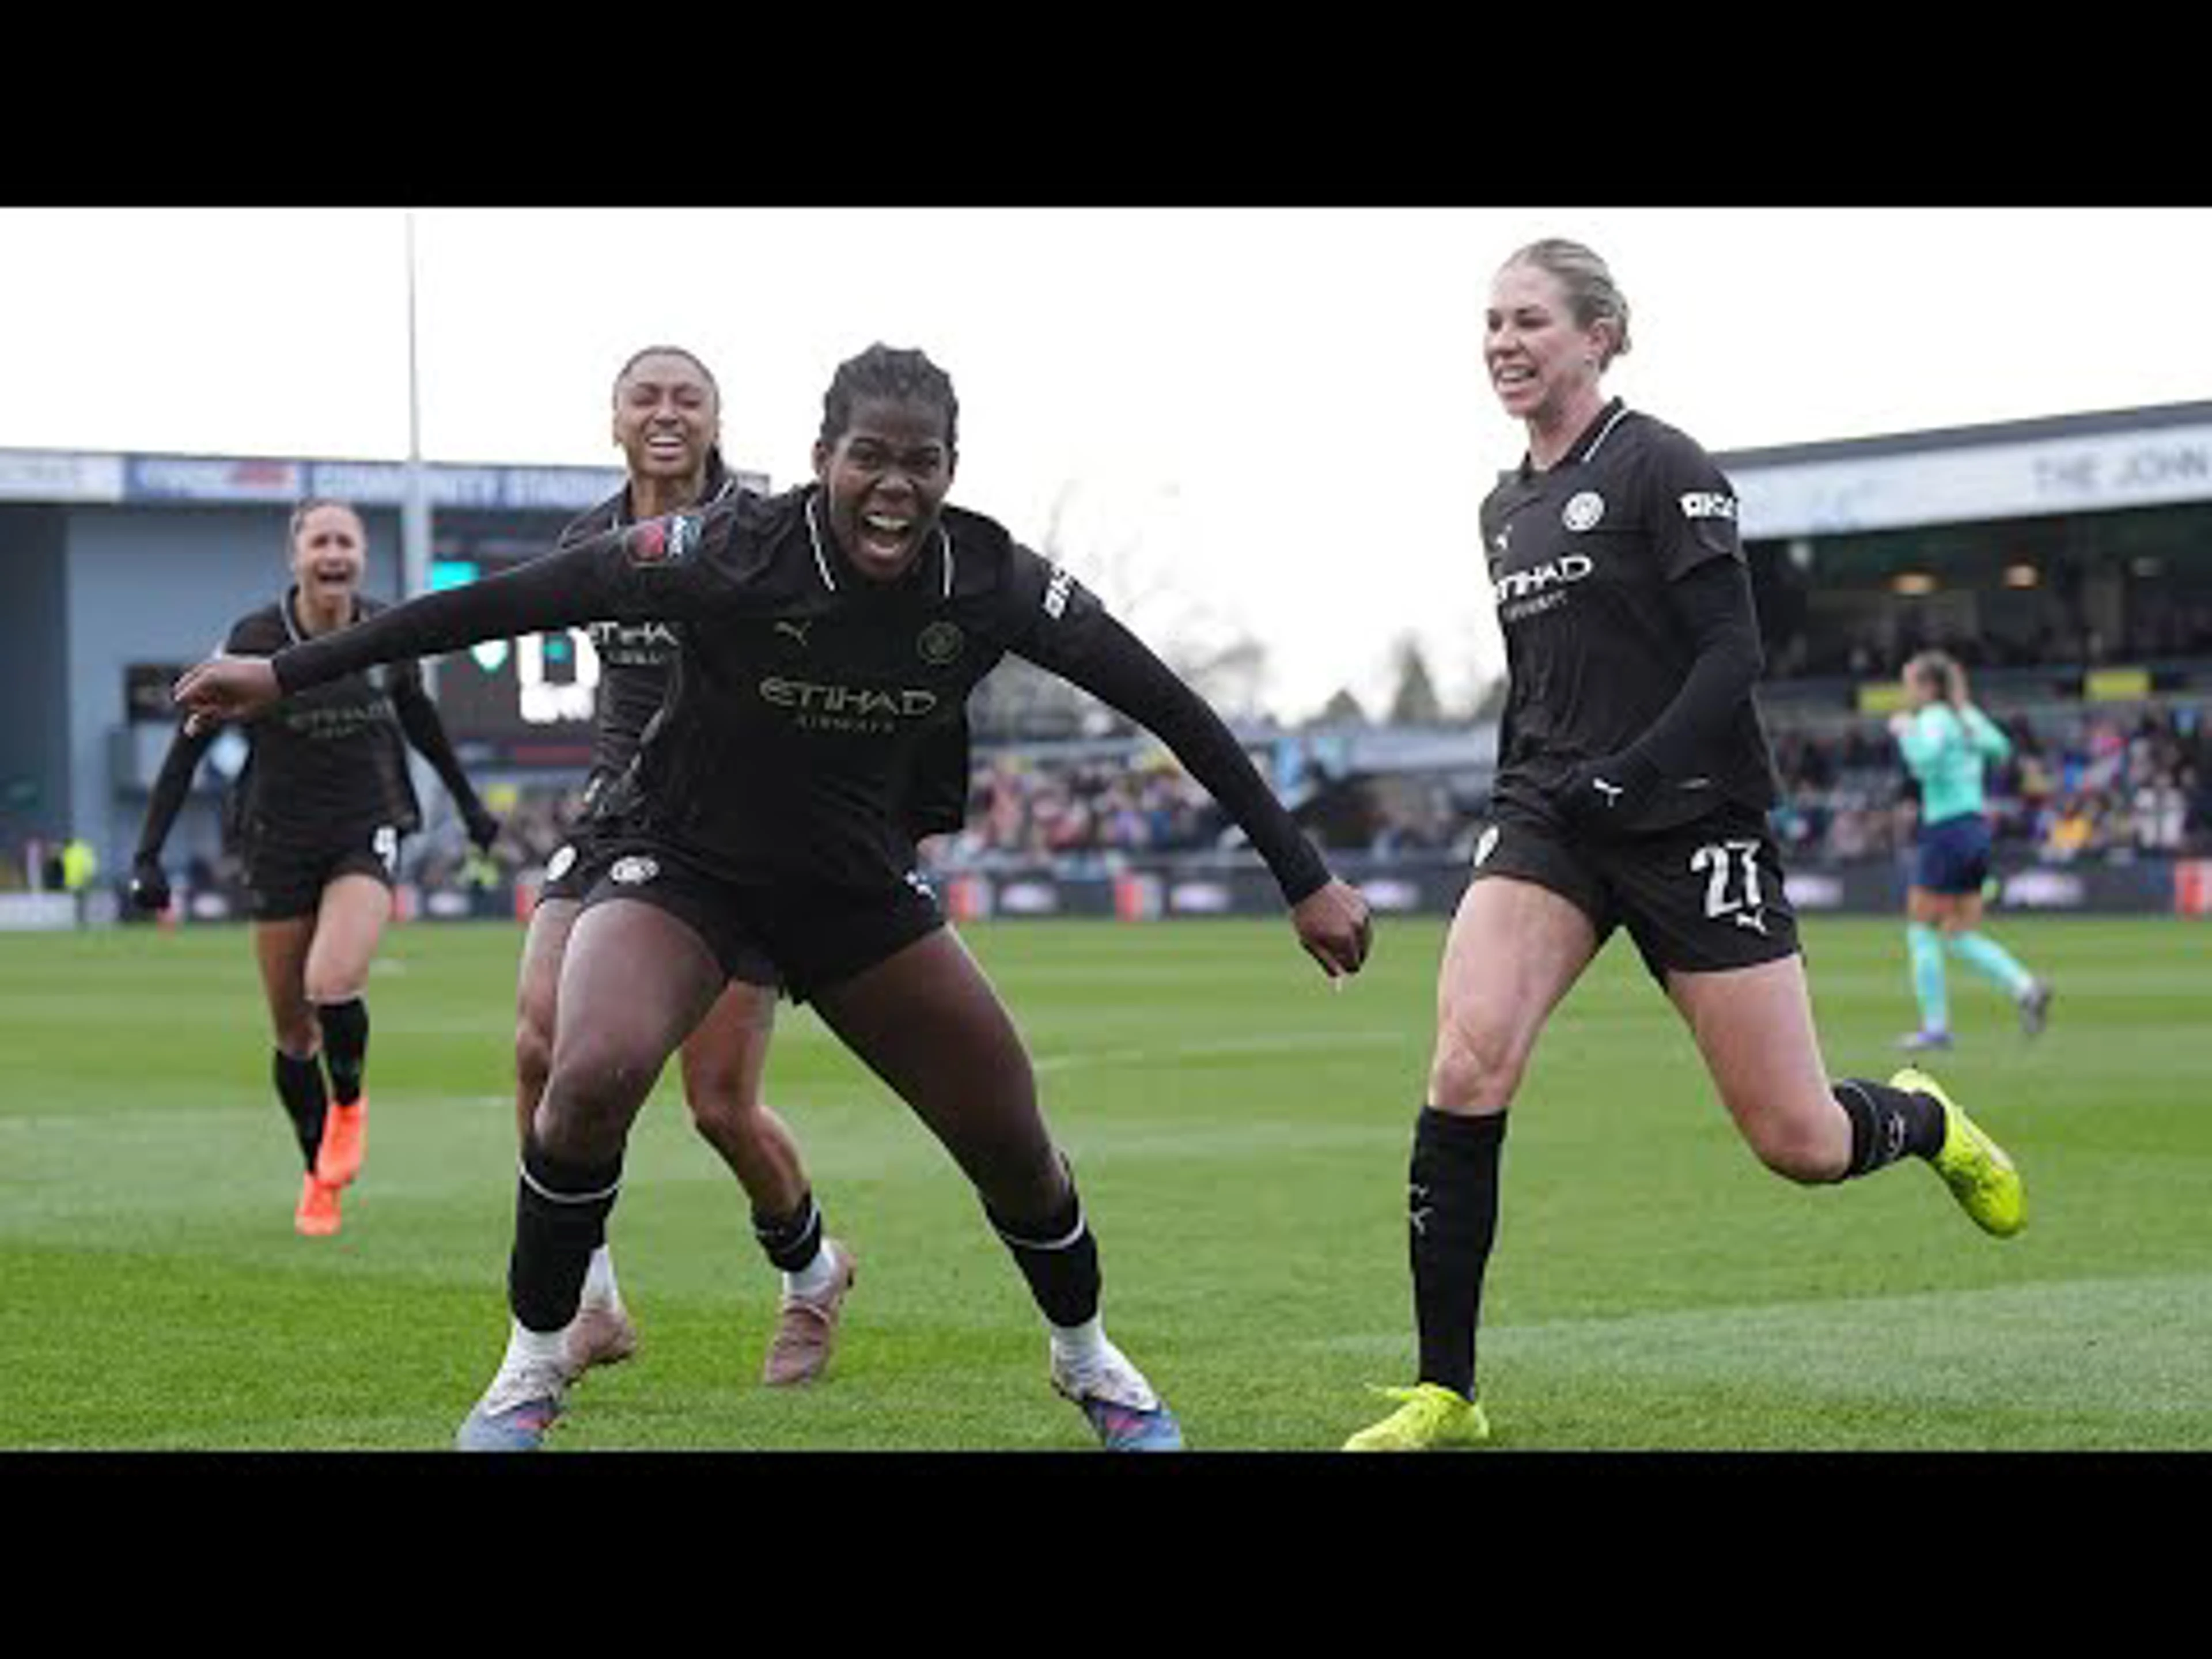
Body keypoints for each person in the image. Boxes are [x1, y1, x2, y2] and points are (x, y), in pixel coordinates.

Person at [176, 342, 1373, 1453]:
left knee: (1008, 1136)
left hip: (852, 885)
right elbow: (508, 603)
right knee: (586, 1071)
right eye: (870, 459)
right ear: (822, 462)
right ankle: (534, 1361)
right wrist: (283, 674)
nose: (894, 488)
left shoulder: (994, 580)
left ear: (952, 471)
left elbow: (1168, 702)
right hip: (684, 859)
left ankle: (1087, 1358)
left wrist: (1303, 874)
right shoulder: (730, 548)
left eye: (922, 462)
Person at [1342, 239, 2026, 1453]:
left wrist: (1638, 772)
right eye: (1491, 322)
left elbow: (1732, 659)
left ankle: (1919, 1119)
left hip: (1689, 816)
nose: (1504, 343)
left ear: (1600, 335)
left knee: (1799, 1141)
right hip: (1552, 817)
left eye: (1531, 321)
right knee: (1465, 1065)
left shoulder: (1664, 465)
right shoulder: (1503, 508)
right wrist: (1529, 794)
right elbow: (1537, 682)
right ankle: (1447, 1390)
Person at [527, 343, 968, 1387]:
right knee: (543, 1045)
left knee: (718, 1102)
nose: (667, 412)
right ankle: (588, 1303)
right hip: (618, 821)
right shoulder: (590, 540)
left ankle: (812, 1270)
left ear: (719, 421)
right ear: (615, 419)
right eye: (647, 396)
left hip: (746, 835)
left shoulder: (769, 537)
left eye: (689, 398)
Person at [133, 498, 500, 1236]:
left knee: (332, 982)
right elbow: (190, 745)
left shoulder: (384, 630)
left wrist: (468, 806)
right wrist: (148, 854)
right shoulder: (257, 638)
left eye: (347, 542)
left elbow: (419, 718)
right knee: (292, 1032)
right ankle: (317, 1173)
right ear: (295, 556)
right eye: (320, 542)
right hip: (276, 837)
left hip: (367, 824)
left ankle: (351, 1107)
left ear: (362, 556)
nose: (334, 554)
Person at [1891, 650, 2052, 1050]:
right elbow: (1999, 748)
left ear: (1928, 686)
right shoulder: (1967, 717)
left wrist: (1905, 731)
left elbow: (1924, 761)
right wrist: (1967, 743)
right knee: (1958, 932)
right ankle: (2025, 986)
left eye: (1911, 683)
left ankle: (1935, 1027)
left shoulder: (1930, 720)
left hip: (1945, 828)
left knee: (1921, 929)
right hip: (1976, 828)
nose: (1907, 692)